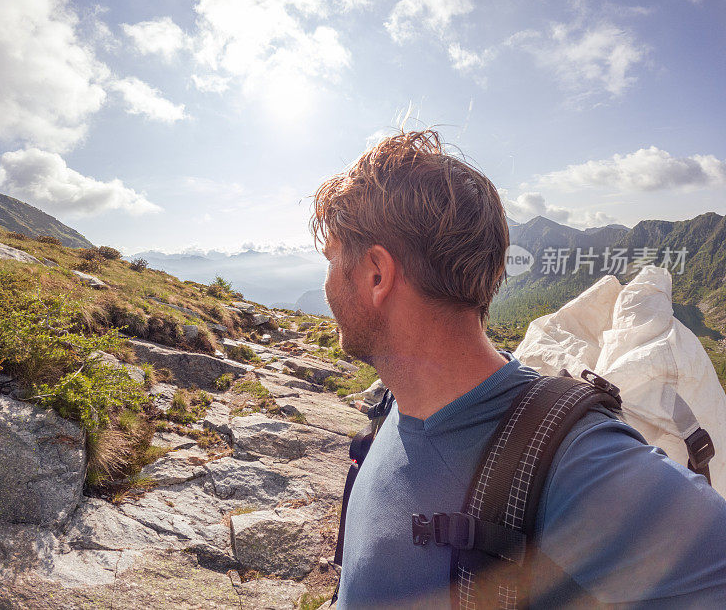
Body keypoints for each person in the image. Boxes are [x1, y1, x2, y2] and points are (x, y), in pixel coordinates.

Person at [309, 129, 726, 608]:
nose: (325, 285)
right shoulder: (393, 405)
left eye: (331, 259)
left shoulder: (572, 460)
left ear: (376, 275)